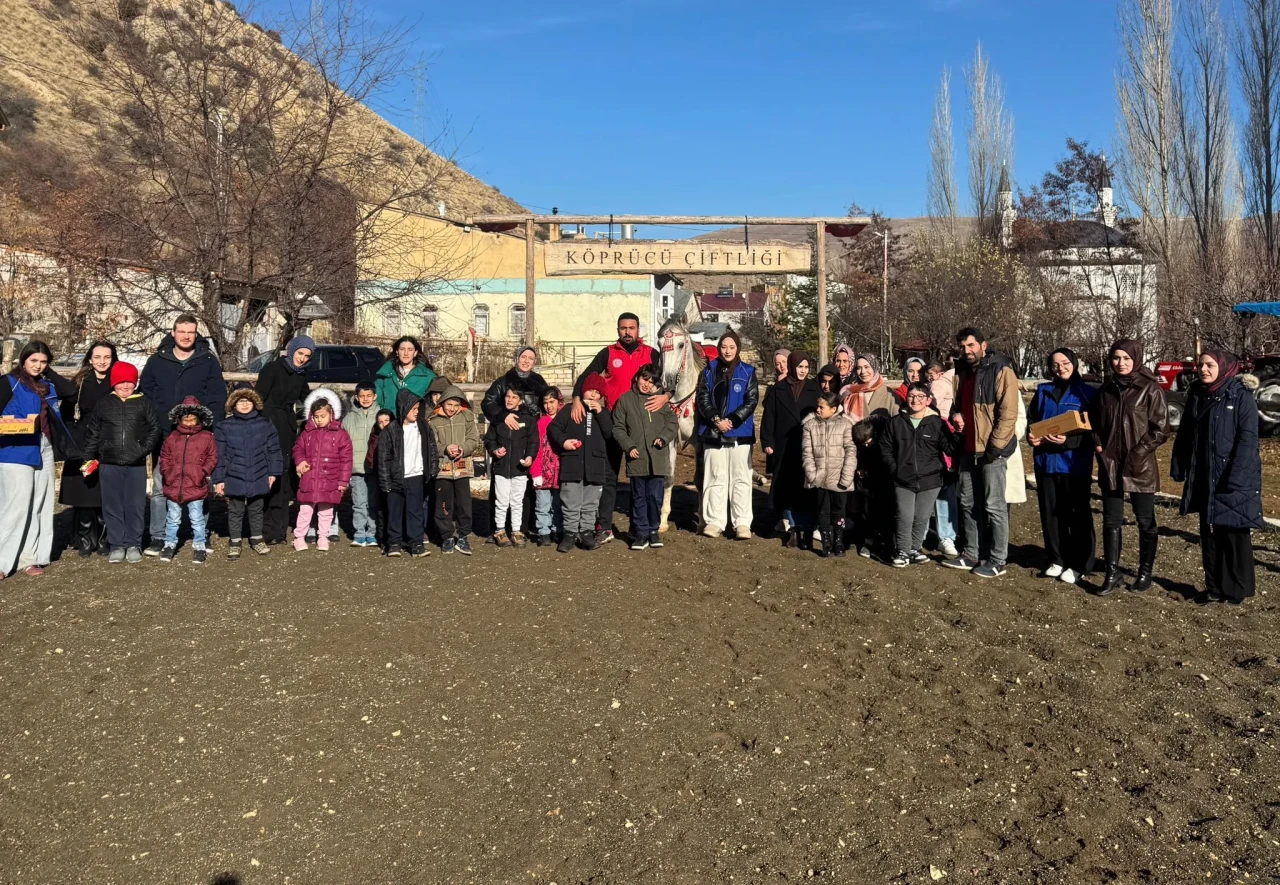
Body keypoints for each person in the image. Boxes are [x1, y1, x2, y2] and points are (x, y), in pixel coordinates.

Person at [1171, 349, 1263, 605]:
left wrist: (1237, 477)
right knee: (1209, 533)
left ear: (1224, 367)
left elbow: (1248, 440)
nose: (1203, 369)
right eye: (1201, 365)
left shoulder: (1240, 396)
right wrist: (1179, 466)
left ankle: (1236, 590)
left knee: (1233, 534)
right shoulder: (1197, 395)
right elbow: (1185, 434)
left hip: (1232, 477)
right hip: (1204, 475)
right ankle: (1213, 588)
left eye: (1210, 365)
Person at [569, 314, 669, 543]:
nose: (627, 332)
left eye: (631, 328)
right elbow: (586, 376)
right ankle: (604, 526)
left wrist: (666, 397)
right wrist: (576, 399)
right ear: (618, 330)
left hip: (642, 426)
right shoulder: (608, 353)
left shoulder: (651, 353)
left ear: (638, 330)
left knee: (639, 478)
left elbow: (667, 379)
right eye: (623, 328)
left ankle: (638, 527)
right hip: (614, 423)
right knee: (609, 476)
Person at [139, 314, 226, 554]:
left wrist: (211, 426)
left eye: (191, 332)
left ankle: (201, 534)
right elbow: (146, 392)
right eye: (182, 332)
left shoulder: (207, 361)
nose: (186, 336)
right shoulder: (157, 361)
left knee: (199, 484)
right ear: (173, 333)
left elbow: (218, 395)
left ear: (196, 334)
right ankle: (158, 535)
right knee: (160, 485)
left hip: (198, 434)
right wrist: (154, 421)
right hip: (165, 434)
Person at [1089, 338, 1169, 596]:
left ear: (1136, 359)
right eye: (1116, 358)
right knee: (1111, 519)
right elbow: (1094, 423)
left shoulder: (1150, 389)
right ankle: (1112, 573)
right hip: (1110, 463)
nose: (1121, 363)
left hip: (1140, 466)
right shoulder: (1105, 391)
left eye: (1126, 358)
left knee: (1145, 520)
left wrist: (1139, 452)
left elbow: (1161, 429)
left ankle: (1145, 572)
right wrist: (1099, 445)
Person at [944, 327, 1020, 578]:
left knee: (994, 506)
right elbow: (957, 405)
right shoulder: (961, 372)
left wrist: (995, 447)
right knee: (967, 502)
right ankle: (971, 553)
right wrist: (955, 415)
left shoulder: (1001, 371)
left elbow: (1008, 414)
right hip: (967, 448)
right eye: (962, 347)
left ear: (983, 346)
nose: (966, 351)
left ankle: (998, 559)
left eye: (971, 345)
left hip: (990, 451)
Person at [0, 342, 78, 577]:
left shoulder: (46, 385)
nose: (38, 366)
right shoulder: (9, 382)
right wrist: (13, 425)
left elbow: (71, 391)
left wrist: (48, 370)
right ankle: (2, 561)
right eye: (33, 360)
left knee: (40, 503)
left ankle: (30, 557)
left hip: (44, 445)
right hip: (14, 448)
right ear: (23, 359)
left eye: (43, 362)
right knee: (16, 505)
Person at [1027, 349, 1096, 585]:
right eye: (1055, 364)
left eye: (1065, 362)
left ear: (1074, 363)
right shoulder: (1043, 391)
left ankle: (1080, 564)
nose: (1061, 368)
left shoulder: (1087, 393)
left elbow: (1093, 431)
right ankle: (1057, 558)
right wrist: (1031, 436)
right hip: (1046, 463)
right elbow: (1032, 420)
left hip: (1074, 465)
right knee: (1050, 513)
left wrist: (1068, 441)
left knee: (1077, 515)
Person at [81, 360, 161, 564]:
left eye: (130, 382)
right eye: (121, 382)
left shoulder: (143, 402)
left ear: (135, 383)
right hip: (109, 462)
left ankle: (134, 543)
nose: (125, 386)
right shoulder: (104, 403)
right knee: (112, 505)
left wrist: (142, 449)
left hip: (136, 464)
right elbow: (93, 432)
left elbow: (154, 429)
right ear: (113, 383)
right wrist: (88, 458)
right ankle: (117, 544)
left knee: (135, 504)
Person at [881, 382, 958, 568]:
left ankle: (915, 549)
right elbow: (885, 447)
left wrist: (958, 433)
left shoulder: (937, 423)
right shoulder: (896, 422)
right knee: (904, 516)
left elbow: (949, 448)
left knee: (921, 517)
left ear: (928, 400)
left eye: (920, 396)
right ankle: (903, 551)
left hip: (930, 479)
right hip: (903, 479)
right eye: (911, 396)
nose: (915, 400)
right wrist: (894, 468)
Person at [695, 330, 758, 540]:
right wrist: (716, 420)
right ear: (719, 348)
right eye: (724, 347)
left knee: (741, 479)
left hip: (740, 433)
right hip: (713, 433)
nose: (727, 351)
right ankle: (714, 521)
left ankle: (742, 523)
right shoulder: (708, 371)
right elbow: (702, 398)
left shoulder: (747, 371)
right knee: (715, 477)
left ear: (737, 348)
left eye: (732, 347)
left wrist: (732, 420)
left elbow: (751, 400)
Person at [482, 346, 550, 537]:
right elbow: (487, 402)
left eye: (531, 358)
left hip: (529, 434)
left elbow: (547, 402)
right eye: (523, 357)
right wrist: (503, 415)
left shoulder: (538, 382)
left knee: (526, 483)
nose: (526, 361)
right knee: (501, 488)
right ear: (517, 358)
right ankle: (498, 528)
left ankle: (523, 527)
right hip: (505, 434)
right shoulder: (503, 381)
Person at [253, 334, 312, 544]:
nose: (302, 358)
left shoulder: (301, 374)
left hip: (287, 425)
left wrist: (325, 406)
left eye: (307, 356)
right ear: (292, 351)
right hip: (268, 423)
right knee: (268, 473)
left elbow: (307, 398)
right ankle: (263, 528)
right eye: (300, 353)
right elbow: (258, 397)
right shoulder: (272, 369)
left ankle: (279, 530)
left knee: (284, 475)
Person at [612, 364, 679, 551]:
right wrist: (629, 446)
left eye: (651, 381)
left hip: (657, 459)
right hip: (637, 458)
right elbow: (618, 427)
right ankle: (641, 533)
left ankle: (653, 530)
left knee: (655, 497)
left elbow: (672, 422)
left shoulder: (658, 400)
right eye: (644, 379)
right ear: (637, 378)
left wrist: (663, 438)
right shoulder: (625, 400)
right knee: (639, 497)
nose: (647, 384)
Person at [61, 341, 117, 557]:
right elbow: (66, 413)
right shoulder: (80, 382)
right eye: (98, 357)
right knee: (84, 491)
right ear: (90, 359)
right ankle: (84, 538)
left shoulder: (118, 380)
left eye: (107, 357)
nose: (102, 361)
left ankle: (104, 538)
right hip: (83, 441)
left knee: (105, 491)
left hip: (109, 440)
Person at [213, 388, 282, 559]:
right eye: (240, 401)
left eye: (248, 401)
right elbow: (219, 454)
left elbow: (274, 450)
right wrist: (219, 479)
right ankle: (235, 542)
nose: (244, 404)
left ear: (255, 403)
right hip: (233, 473)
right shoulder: (224, 426)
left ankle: (257, 539)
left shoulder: (265, 424)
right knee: (235, 510)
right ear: (233, 404)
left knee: (256, 508)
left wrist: (273, 472)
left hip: (259, 471)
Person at [761, 350, 820, 547]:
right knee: (786, 488)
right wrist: (767, 441)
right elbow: (769, 417)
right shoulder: (778, 389)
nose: (803, 371)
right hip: (783, 445)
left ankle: (806, 529)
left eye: (806, 367)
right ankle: (792, 528)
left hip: (807, 446)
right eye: (800, 366)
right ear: (793, 366)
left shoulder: (814, 388)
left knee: (805, 489)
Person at [549, 373, 613, 553]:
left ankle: (586, 533)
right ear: (583, 391)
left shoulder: (604, 413)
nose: (593, 395)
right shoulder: (570, 409)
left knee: (591, 503)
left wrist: (600, 413)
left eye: (597, 392)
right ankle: (569, 534)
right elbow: (553, 427)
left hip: (595, 465)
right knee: (570, 501)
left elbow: (609, 433)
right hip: (572, 464)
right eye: (590, 390)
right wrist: (564, 442)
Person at [376, 389, 439, 557]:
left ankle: (416, 543)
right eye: (413, 409)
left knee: (415, 511)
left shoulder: (423, 427)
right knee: (394, 512)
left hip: (416, 476)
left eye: (418, 408)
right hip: (395, 477)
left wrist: (433, 468)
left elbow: (432, 448)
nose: (417, 412)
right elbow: (383, 457)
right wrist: (385, 481)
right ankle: (394, 542)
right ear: (404, 408)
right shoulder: (391, 430)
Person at [158, 396, 218, 563]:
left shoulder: (207, 436)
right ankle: (169, 544)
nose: (189, 422)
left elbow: (212, 457)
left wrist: (203, 471)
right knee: (173, 518)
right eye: (186, 419)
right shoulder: (173, 437)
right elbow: (165, 456)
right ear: (180, 419)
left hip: (196, 484)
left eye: (192, 419)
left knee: (197, 518)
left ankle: (199, 545)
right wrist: (167, 472)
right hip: (174, 484)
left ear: (198, 419)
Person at [292, 389, 352, 553]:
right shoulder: (307, 433)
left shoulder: (340, 435)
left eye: (322, 416)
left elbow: (346, 459)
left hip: (329, 479)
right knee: (305, 510)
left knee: (326, 511)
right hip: (310, 478)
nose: (319, 420)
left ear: (331, 414)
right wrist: (300, 461)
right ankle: (299, 537)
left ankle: (323, 537)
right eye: (316, 416)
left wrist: (343, 481)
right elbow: (298, 449)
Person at [801, 391, 857, 558]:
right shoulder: (810, 425)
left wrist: (847, 476)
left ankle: (838, 540)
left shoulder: (845, 425)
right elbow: (807, 452)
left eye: (822, 407)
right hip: (819, 478)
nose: (818, 409)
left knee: (839, 511)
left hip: (839, 477)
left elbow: (850, 451)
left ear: (833, 409)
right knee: (823, 511)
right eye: (817, 406)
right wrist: (812, 474)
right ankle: (826, 542)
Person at [486, 386, 539, 547]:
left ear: (520, 401)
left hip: (519, 468)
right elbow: (489, 440)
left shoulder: (528, 420)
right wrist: (495, 450)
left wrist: (529, 457)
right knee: (501, 502)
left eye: (514, 397)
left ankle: (516, 531)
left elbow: (533, 442)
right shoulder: (498, 420)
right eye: (507, 396)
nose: (509, 400)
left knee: (517, 502)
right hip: (501, 468)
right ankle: (500, 531)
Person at [429, 383, 479, 554]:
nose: (452, 408)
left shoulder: (467, 418)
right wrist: (445, 448)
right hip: (443, 469)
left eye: (456, 405)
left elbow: (474, 439)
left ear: (461, 405)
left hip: (462, 468)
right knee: (444, 505)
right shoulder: (434, 421)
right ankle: (447, 536)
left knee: (464, 504)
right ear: (442, 402)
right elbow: (432, 443)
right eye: (449, 404)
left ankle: (463, 536)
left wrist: (462, 449)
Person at [342, 382, 381, 548]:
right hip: (356, 467)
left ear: (375, 396)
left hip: (374, 468)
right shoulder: (349, 418)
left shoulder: (380, 415)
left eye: (369, 396)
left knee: (373, 502)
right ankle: (359, 533)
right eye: (362, 396)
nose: (365, 399)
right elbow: (343, 444)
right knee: (359, 502)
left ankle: (372, 533)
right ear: (356, 397)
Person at [531, 388, 564, 547]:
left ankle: (558, 529)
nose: (549, 406)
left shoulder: (565, 420)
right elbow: (536, 449)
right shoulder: (541, 423)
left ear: (559, 401)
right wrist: (535, 472)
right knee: (542, 504)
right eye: (545, 403)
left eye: (552, 402)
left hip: (560, 471)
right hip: (543, 471)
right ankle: (544, 532)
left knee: (558, 504)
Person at [375, 336, 436, 413]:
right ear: (397, 352)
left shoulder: (428, 376)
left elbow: (435, 402)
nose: (406, 353)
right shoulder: (384, 375)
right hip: (390, 419)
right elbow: (376, 403)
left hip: (416, 419)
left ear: (415, 353)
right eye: (402, 349)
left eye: (410, 349)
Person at [366, 409, 395, 549]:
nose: (383, 425)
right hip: (380, 476)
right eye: (380, 422)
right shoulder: (375, 437)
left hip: (396, 476)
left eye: (386, 421)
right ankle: (384, 538)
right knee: (382, 508)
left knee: (395, 508)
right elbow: (371, 457)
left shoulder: (398, 435)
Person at [842, 354, 899, 421]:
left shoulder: (890, 394)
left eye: (866, 367)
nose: (863, 371)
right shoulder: (850, 393)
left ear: (874, 368)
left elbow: (897, 422)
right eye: (859, 368)